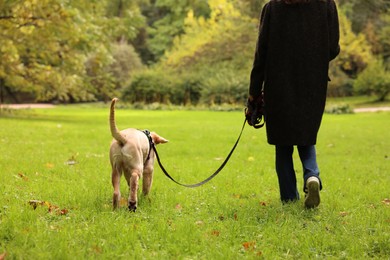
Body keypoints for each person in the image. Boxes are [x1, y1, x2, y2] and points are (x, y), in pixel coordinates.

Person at [247, 0, 340, 208]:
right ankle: (312, 175)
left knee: (283, 144)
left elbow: (261, 53)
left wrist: (253, 92)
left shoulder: (272, 8)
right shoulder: (326, 5)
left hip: (278, 85)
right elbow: (332, 48)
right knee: (306, 136)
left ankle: (289, 198)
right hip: (313, 82)